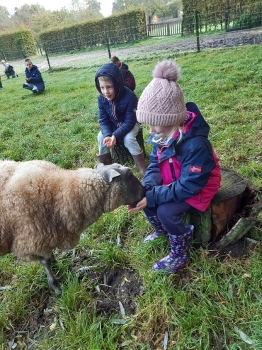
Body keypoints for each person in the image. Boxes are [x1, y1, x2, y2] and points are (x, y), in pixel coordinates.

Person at [128, 60, 221, 273]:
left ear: (173, 119)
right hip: (176, 180)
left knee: (166, 211)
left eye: (155, 123)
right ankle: (162, 231)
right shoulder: (163, 134)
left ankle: (180, 252)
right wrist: (147, 188)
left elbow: (189, 186)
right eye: (148, 123)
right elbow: (154, 164)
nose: (151, 129)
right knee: (149, 199)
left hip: (198, 186)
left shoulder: (196, 145)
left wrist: (154, 196)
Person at [95, 62, 146, 176]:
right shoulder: (101, 98)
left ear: (117, 84)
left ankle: (142, 168)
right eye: (102, 87)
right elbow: (103, 119)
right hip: (114, 124)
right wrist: (108, 134)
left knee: (128, 139)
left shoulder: (130, 97)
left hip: (131, 124)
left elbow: (130, 121)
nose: (105, 91)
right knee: (101, 137)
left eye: (109, 87)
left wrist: (116, 135)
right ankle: (106, 169)